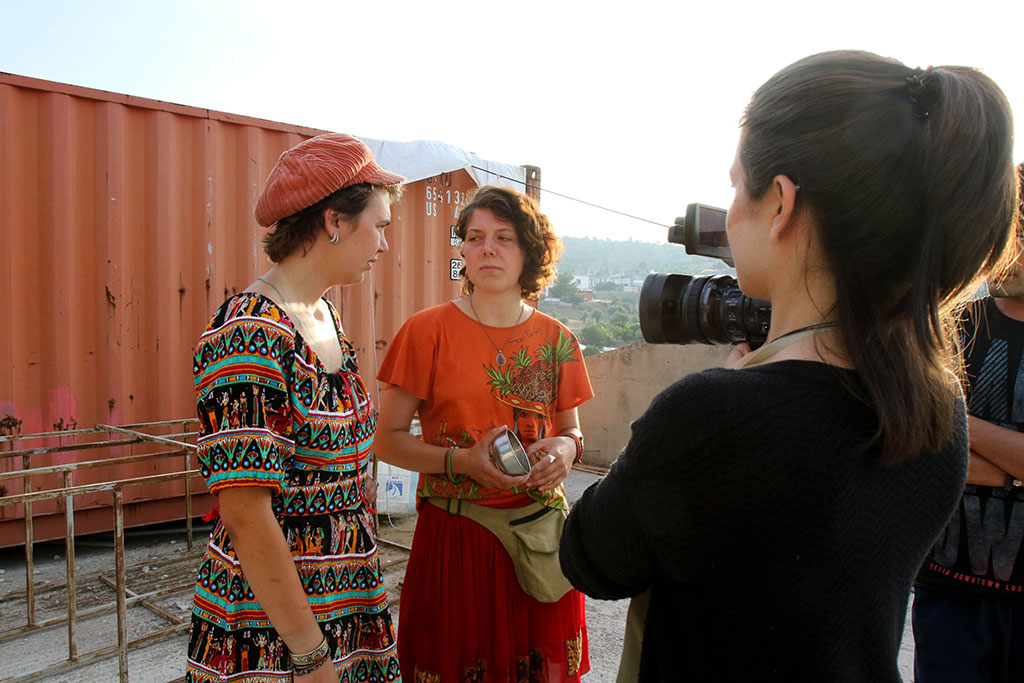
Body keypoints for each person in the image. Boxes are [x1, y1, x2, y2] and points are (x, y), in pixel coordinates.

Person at [558, 50, 1019, 682]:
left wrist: (727, 398)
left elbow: (591, 560)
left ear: (779, 203)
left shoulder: (714, 417)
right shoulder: (936, 410)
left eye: (734, 183)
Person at [185, 133, 405, 683]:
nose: (384, 245)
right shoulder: (248, 333)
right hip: (276, 624)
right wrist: (309, 654)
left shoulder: (323, 316)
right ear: (334, 220)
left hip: (347, 598)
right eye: (379, 226)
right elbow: (245, 511)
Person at [375, 185, 594, 682]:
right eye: (474, 238)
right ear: (463, 253)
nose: (487, 249)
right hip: (457, 538)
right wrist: (461, 463)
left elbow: (572, 432)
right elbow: (386, 440)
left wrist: (566, 447)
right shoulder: (426, 331)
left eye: (504, 237)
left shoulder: (559, 340)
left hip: (539, 537)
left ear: (529, 253)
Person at [913, 163, 1024, 683]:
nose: (1002, 251)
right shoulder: (949, 325)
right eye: (996, 231)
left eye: (1018, 234)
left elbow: (938, 434)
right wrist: (1010, 464)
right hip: (948, 597)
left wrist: (952, 416)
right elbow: (914, 448)